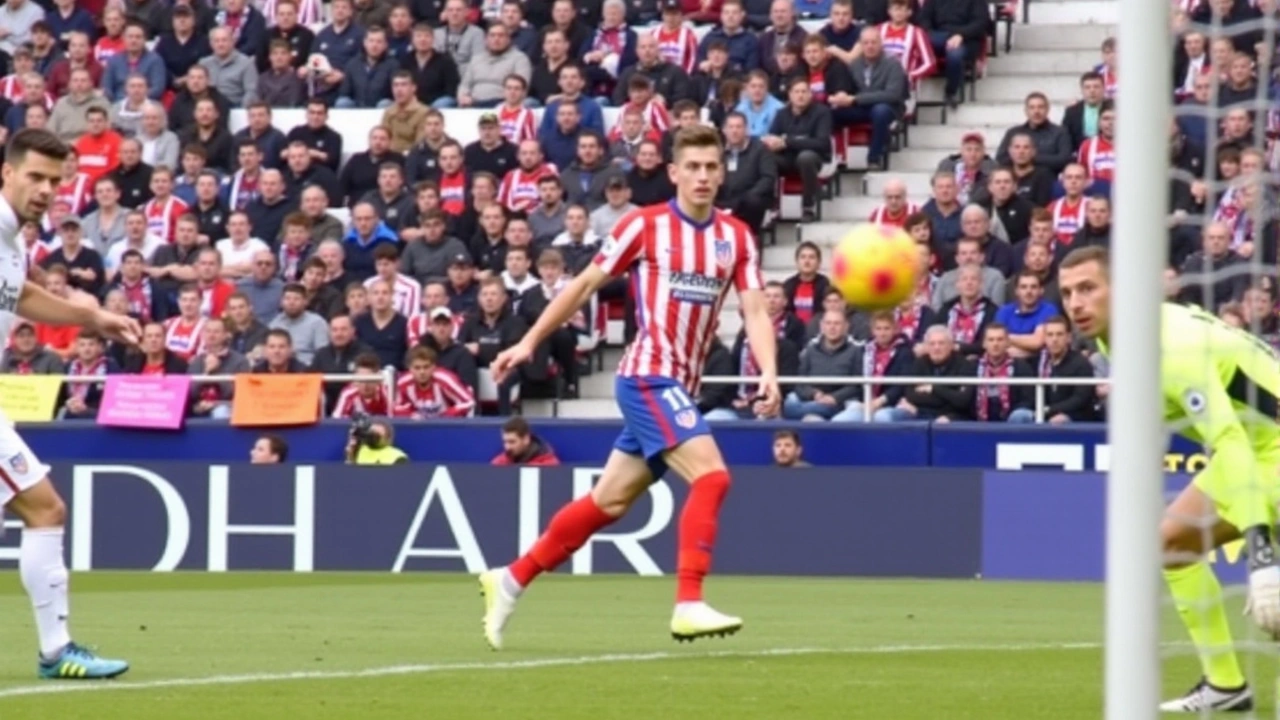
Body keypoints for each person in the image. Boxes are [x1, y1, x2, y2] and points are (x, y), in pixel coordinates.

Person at [478, 124, 779, 649]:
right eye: (693, 167)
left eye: (712, 167)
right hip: (646, 375)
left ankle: (510, 578)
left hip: (680, 387)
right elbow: (584, 285)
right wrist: (528, 342)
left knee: (609, 503)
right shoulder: (644, 225)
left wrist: (769, 372)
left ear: (722, 171)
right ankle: (688, 602)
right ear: (674, 173)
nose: (703, 176)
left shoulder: (736, 237)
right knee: (712, 478)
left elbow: (754, 308)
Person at [1058, 246, 1280, 713]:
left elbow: (1228, 438)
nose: (1075, 303)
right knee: (1172, 544)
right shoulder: (1121, 337)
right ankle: (1226, 686)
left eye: (1087, 288)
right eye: (1066, 293)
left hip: (1267, 446)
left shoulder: (1170, 350)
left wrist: (1259, 553)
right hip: (1260, 445)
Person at [0, 128, 138, 679]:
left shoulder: (14, 244)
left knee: (44, 510)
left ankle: (57, 651)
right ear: (6, 172)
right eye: (34, 176)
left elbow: (19, 295)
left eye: (55, 181)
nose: (45, 190)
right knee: (44, 509)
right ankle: (56, 652)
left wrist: (92, 316)